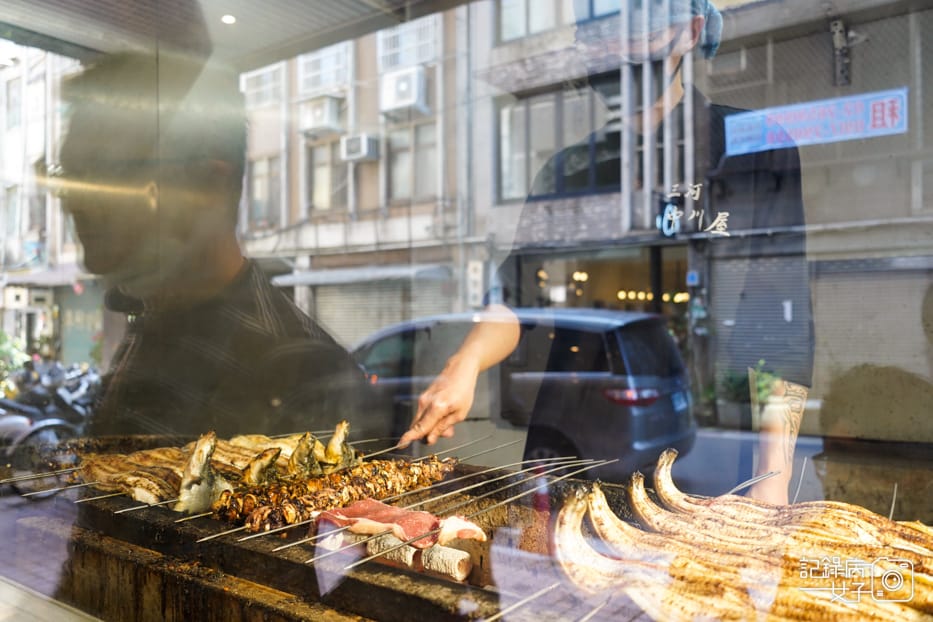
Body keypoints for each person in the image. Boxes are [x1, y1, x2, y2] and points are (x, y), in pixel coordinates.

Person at [401, 0, 814, 505]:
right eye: (596, 38)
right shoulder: (570, 171)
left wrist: (771, 483)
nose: (614, 54)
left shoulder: (754, 150)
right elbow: (516, 296)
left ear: (690, 30)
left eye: (633, 34)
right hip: (567, 454)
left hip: (698, 461)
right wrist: (462, 365)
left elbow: (777, 325)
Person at [51, 52, 368, 438]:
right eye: (68, 175)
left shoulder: (298, 371)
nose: (72, 199)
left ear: (206, 185)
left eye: (103, 173)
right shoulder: (155, 321)